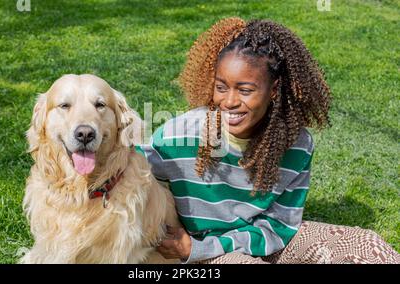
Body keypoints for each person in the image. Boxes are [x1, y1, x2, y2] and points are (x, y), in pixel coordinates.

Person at [136, 18, 399, 264]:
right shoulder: (179, 136)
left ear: (273, 91)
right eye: (221, 87)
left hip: (264, 240)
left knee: (367, 246)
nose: (229, 101)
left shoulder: (296, 144)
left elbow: (280, 225)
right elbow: (128, 169)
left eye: (245, 90)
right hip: (202, 250)